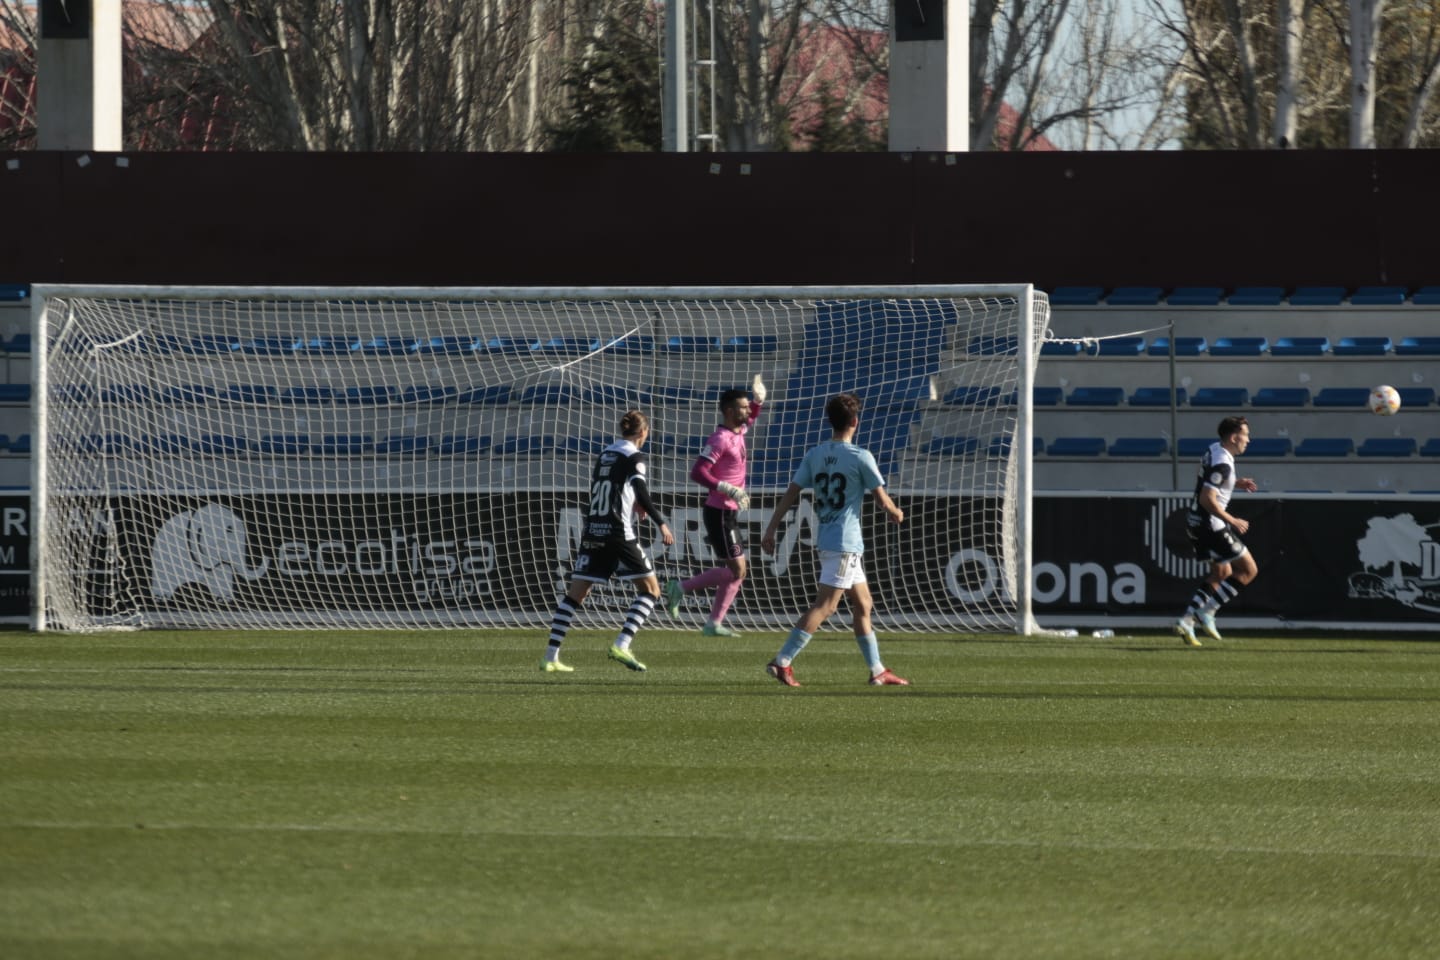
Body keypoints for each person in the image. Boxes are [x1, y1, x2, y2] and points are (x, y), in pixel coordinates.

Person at [759, 393, 908, 687]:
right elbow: (882, 500)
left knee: (864, 604)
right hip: (844, 542)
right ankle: (782, 661)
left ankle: (877, 670)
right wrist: (896, 512)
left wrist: (771, 528)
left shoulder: (815, 455)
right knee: (825, 606)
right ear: (855, 421)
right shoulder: (860, 456)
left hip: (829, 538)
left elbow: (791, 494)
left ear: (830, 421)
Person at [541, 409, 675, 673]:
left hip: (593, 530)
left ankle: (550, 657)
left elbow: (611, 488)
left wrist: (633, 503)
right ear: (643, 432)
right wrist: (661, 522)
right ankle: (622, 643)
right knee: (651, 590)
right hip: (617, 533)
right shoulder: (634, 456)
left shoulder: (607, 453)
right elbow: (641, 489)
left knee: (575, 594)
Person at [663, 375, 766, 638]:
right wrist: (726, 487)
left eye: (746, 407)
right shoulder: (720, 439)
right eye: (742, 408)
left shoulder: (738, 431)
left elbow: (751, 419)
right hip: (719, 512)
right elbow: (697, 473)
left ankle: (712, 622)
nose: (747, 412)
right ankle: (682, 588)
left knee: (737, 572)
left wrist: (758, 401)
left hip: (728, 511)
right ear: (729, 411)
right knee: (738, 570)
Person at [1175, 415, 1258, 647]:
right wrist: (1232, 519)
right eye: (1246, 435)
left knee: (1221, 573)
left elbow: (1208, 479)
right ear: (1234, 437)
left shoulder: (1215, 449)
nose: (1248, 440)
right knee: (1249, 569)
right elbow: (1207, 498)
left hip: (1195, 522)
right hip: (1210, 525)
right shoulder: (1223, 462)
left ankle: (1186, 620)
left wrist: (1234, 482)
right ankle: (1206, 612)